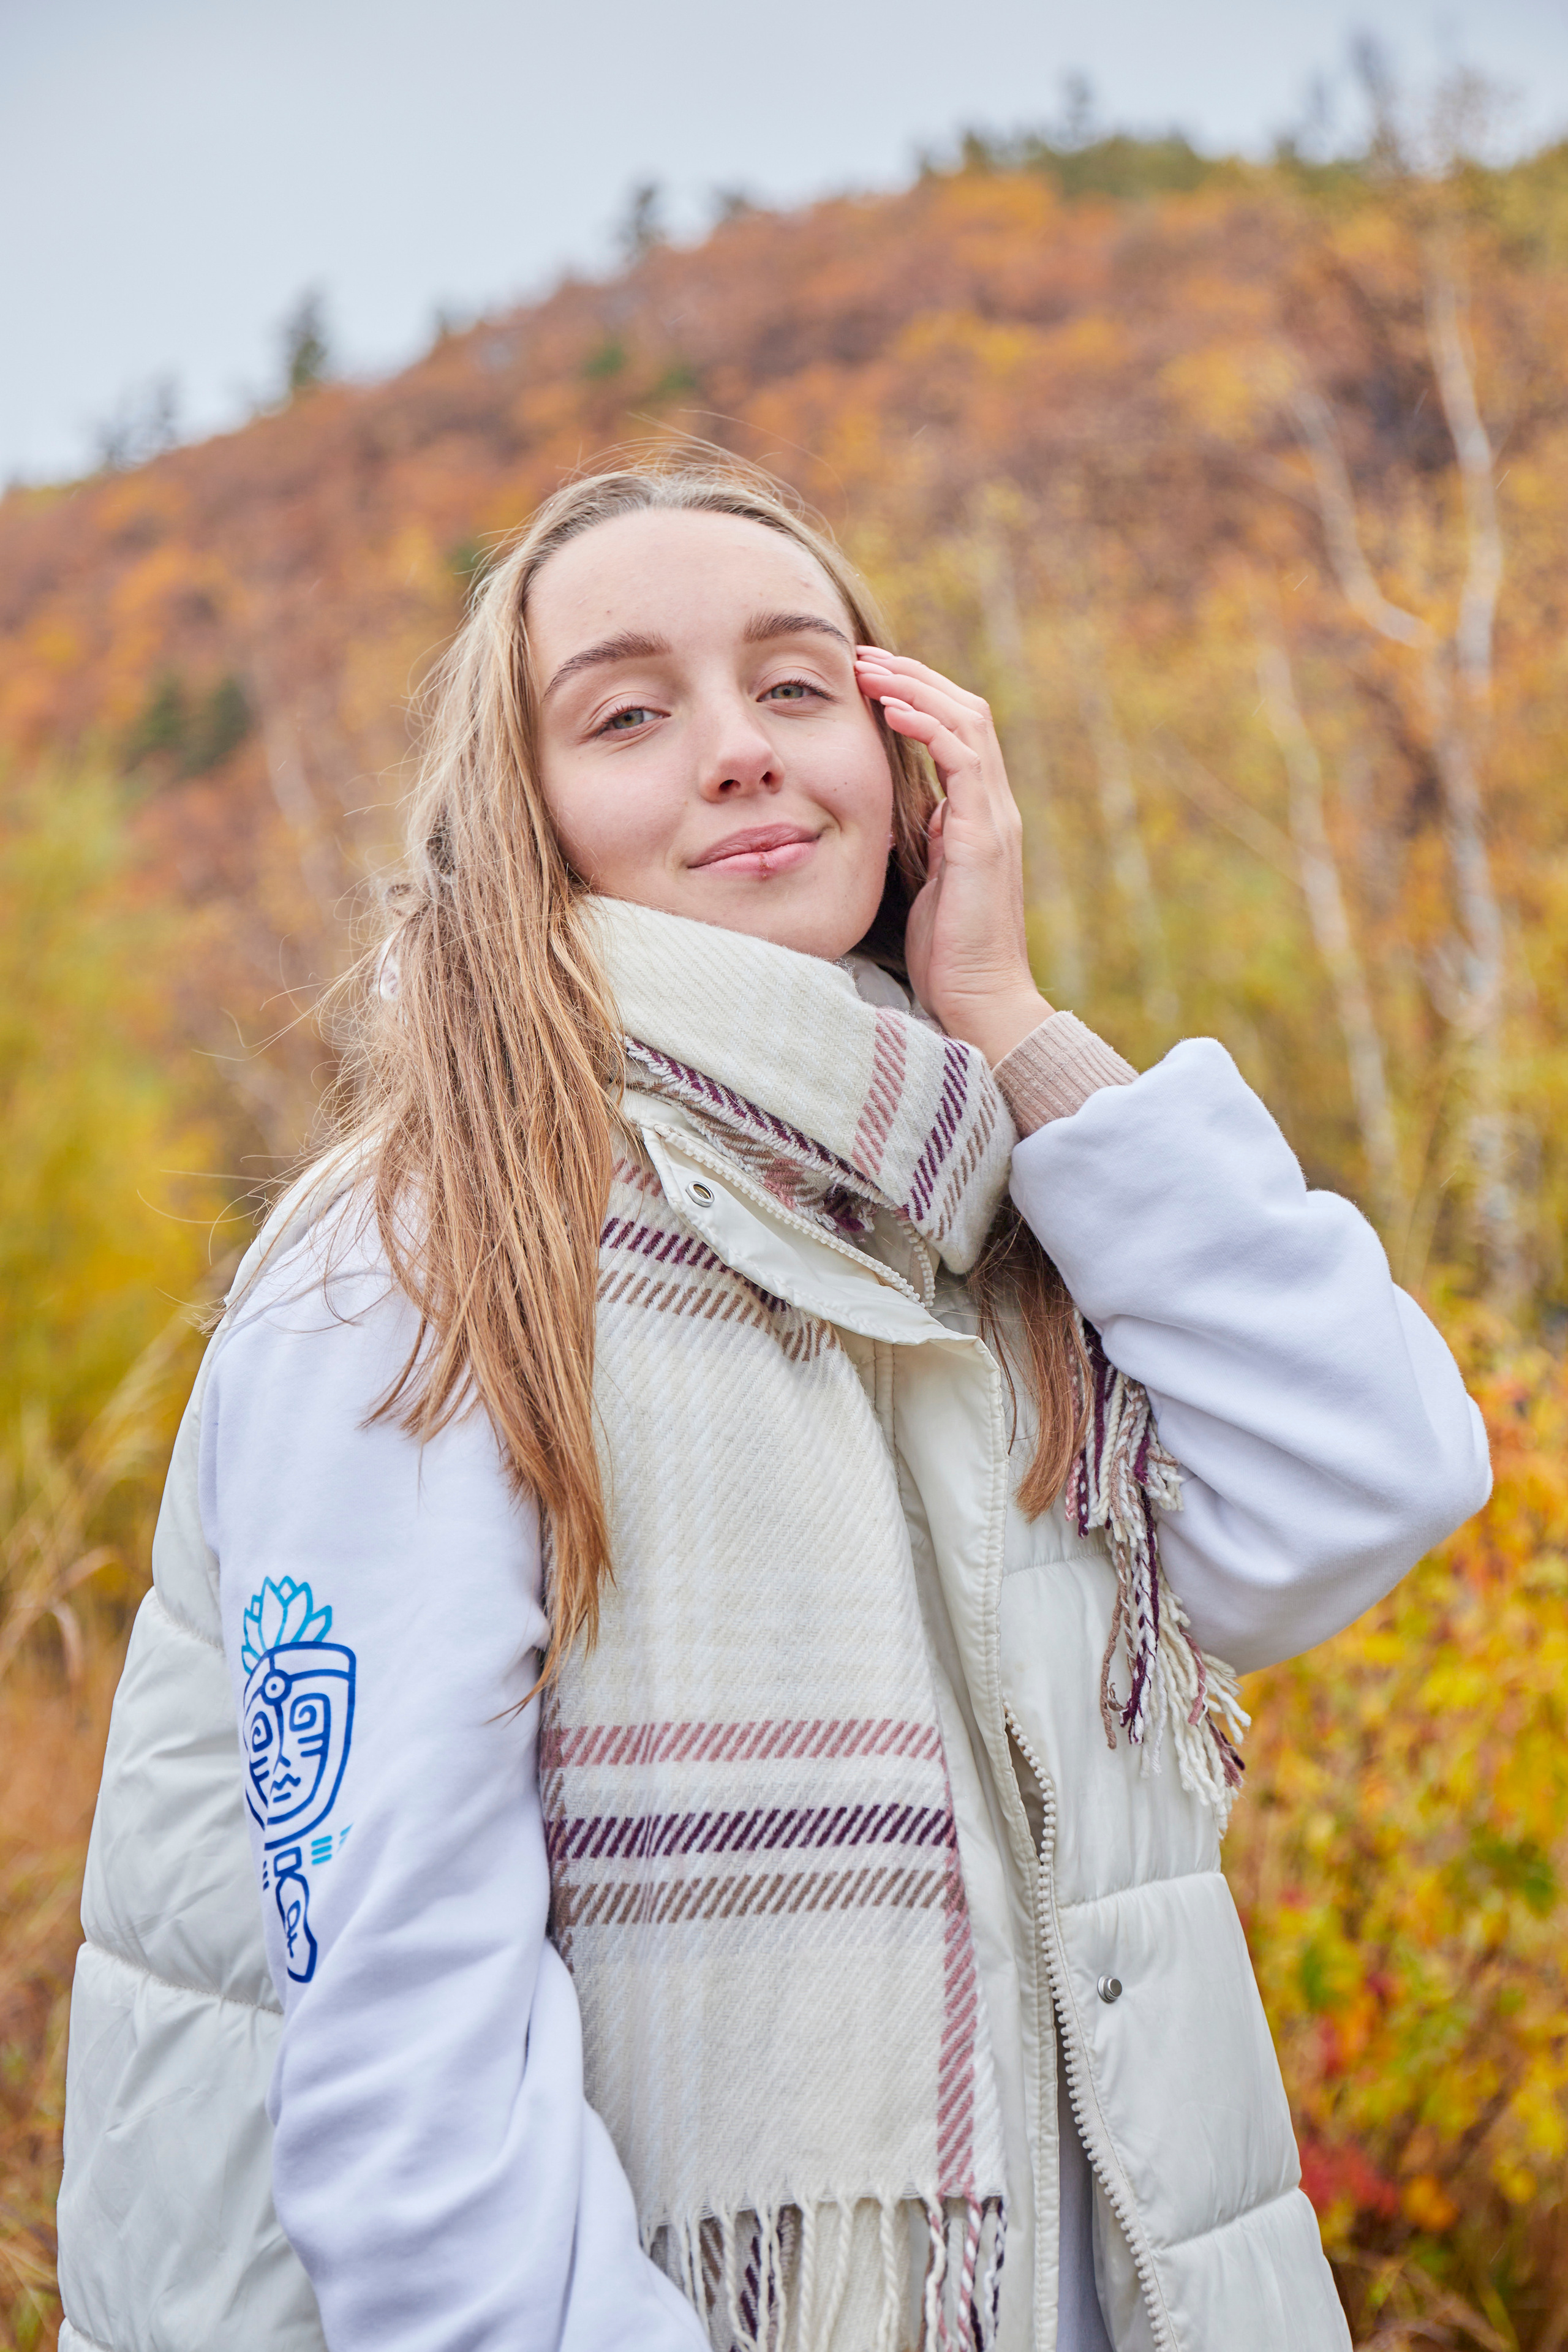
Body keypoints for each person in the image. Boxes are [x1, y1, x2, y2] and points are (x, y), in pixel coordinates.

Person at [57, 456, 1491, 2352]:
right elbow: (406, 2054)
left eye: (801, 687)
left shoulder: (986, 1223)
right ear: (527, 812)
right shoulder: (427, 1249)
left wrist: (1014, 1018)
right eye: (630, 713)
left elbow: (1367, 1478)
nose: (736, 750)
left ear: (914, 767)